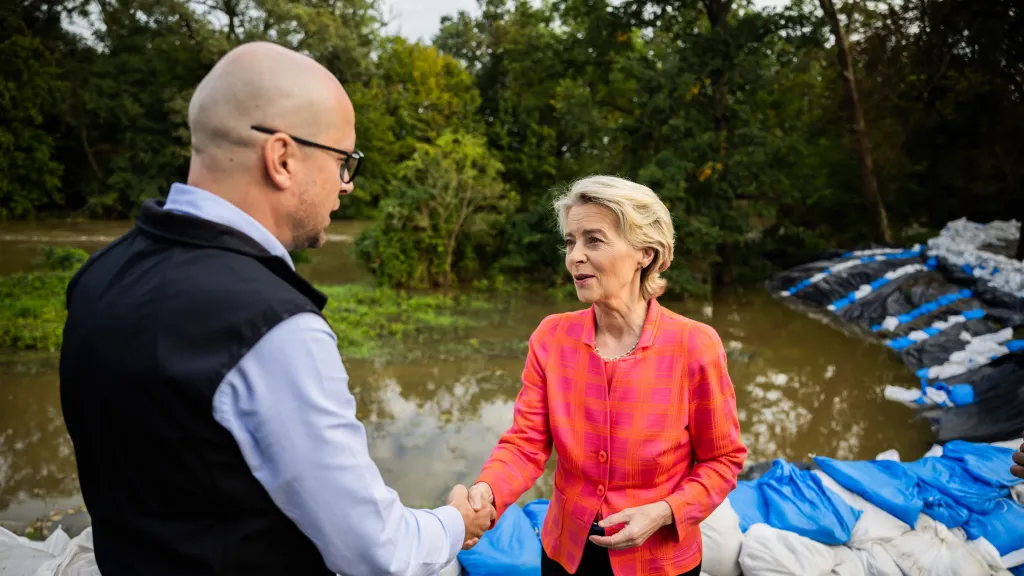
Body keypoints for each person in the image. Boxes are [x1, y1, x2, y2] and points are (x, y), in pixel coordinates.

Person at [58, 41, 493, 576]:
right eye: (343, 161)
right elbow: (375, 551)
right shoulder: (272, 326)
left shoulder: (101, 273)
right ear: (282, 158)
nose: (348, 184)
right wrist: (453, 523)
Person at [466, 176, 747, 576]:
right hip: (566, 552)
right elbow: (526, 444)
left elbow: (723, 459)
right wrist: (488, 491)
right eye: (570, 242)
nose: (575, 256)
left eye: (593, 240)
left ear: (645, 254)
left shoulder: (694, 345)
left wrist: (666, 511)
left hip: (659, 560)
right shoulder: (551, 337)